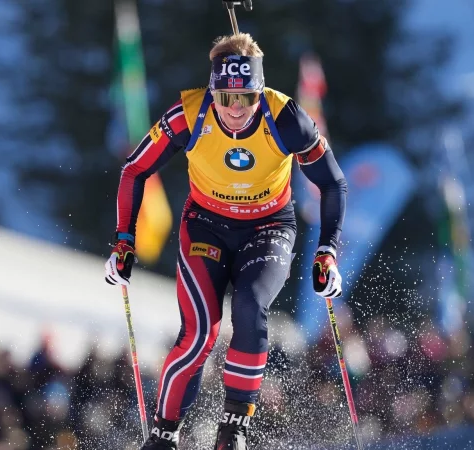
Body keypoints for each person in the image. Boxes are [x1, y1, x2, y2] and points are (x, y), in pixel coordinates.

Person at [105, 33, 348, 450]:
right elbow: (134, 169)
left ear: (260, 92)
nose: (235, 109)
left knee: (251, 307)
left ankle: (233, 428)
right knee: (200, 333)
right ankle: (164, 434)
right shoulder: (188, 115)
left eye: (246, 98)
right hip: (206, 227)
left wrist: (327, 251)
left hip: (269, 227)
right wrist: (124, 241)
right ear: (213, 92)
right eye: (226, 97)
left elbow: (333, 183)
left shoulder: (286, 118)